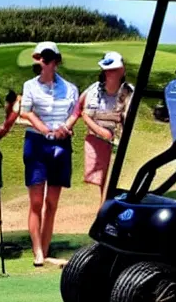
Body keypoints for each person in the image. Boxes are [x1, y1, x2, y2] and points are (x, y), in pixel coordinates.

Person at [20, 41, 79, 267]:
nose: (45, 62)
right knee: (36, 202)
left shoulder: (70, 88)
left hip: (61, 143)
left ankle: (44, 249)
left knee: (52, 202)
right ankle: (37, 251)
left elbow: (75, 112)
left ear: (56, 61)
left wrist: (66, 127)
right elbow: (26, 112)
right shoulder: (30, 86)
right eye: (41, 58)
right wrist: (44, 129)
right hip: (36, 142)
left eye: (49, 58)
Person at [69, 51, 133, 201]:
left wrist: (86, 118)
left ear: (122, 71)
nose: (109, 73)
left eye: (114, 70)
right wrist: (67, 127)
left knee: (110, 186)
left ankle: (104, 213)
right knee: (97, 184)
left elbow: (113, 132)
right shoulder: (93, 90)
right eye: (107, 69)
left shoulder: (129, 93)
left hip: (117, 145)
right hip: (95, 142)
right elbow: (78, 109)